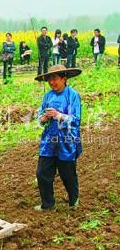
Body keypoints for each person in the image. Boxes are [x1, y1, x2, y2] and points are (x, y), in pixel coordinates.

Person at [34, 65, 82, 211]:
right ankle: (47, 204)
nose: (52, 83)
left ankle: (74, 200)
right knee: (42, 173)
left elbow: (76, 120)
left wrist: (58, 115)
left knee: (67, 173)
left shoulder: (72, 95)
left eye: (54, 79)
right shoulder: (48, 96)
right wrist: (43, 118)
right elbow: (40, 116)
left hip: (67, 141)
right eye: (49, 80)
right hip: (49, 141)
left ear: (64, 79)